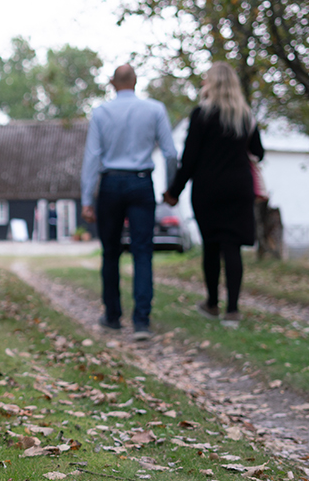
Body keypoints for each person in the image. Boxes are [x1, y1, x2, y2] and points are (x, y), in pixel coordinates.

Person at [163, 61, 265, 328]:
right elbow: (259, 152)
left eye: (206, 79)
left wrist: (174, 192)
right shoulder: (245, 116)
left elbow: (190, 159)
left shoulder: (201, 115)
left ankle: (211, 303)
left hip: (208, 190)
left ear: (214, 84)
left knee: (212, 246)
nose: (202, 84)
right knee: (232, 247)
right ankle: (232, 310)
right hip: (239, 189)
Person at [81, 64, 177, 340]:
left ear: (112, 83)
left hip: (110, 183)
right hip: (141, 182)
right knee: (143, 251)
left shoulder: (100, 113)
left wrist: (87, 198)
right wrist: (171, 189)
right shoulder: (155, 110)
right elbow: (171, 154)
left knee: (110, 252)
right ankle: (141, 322)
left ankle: (112, 316)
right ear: (135, 81)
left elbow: (92, 157)